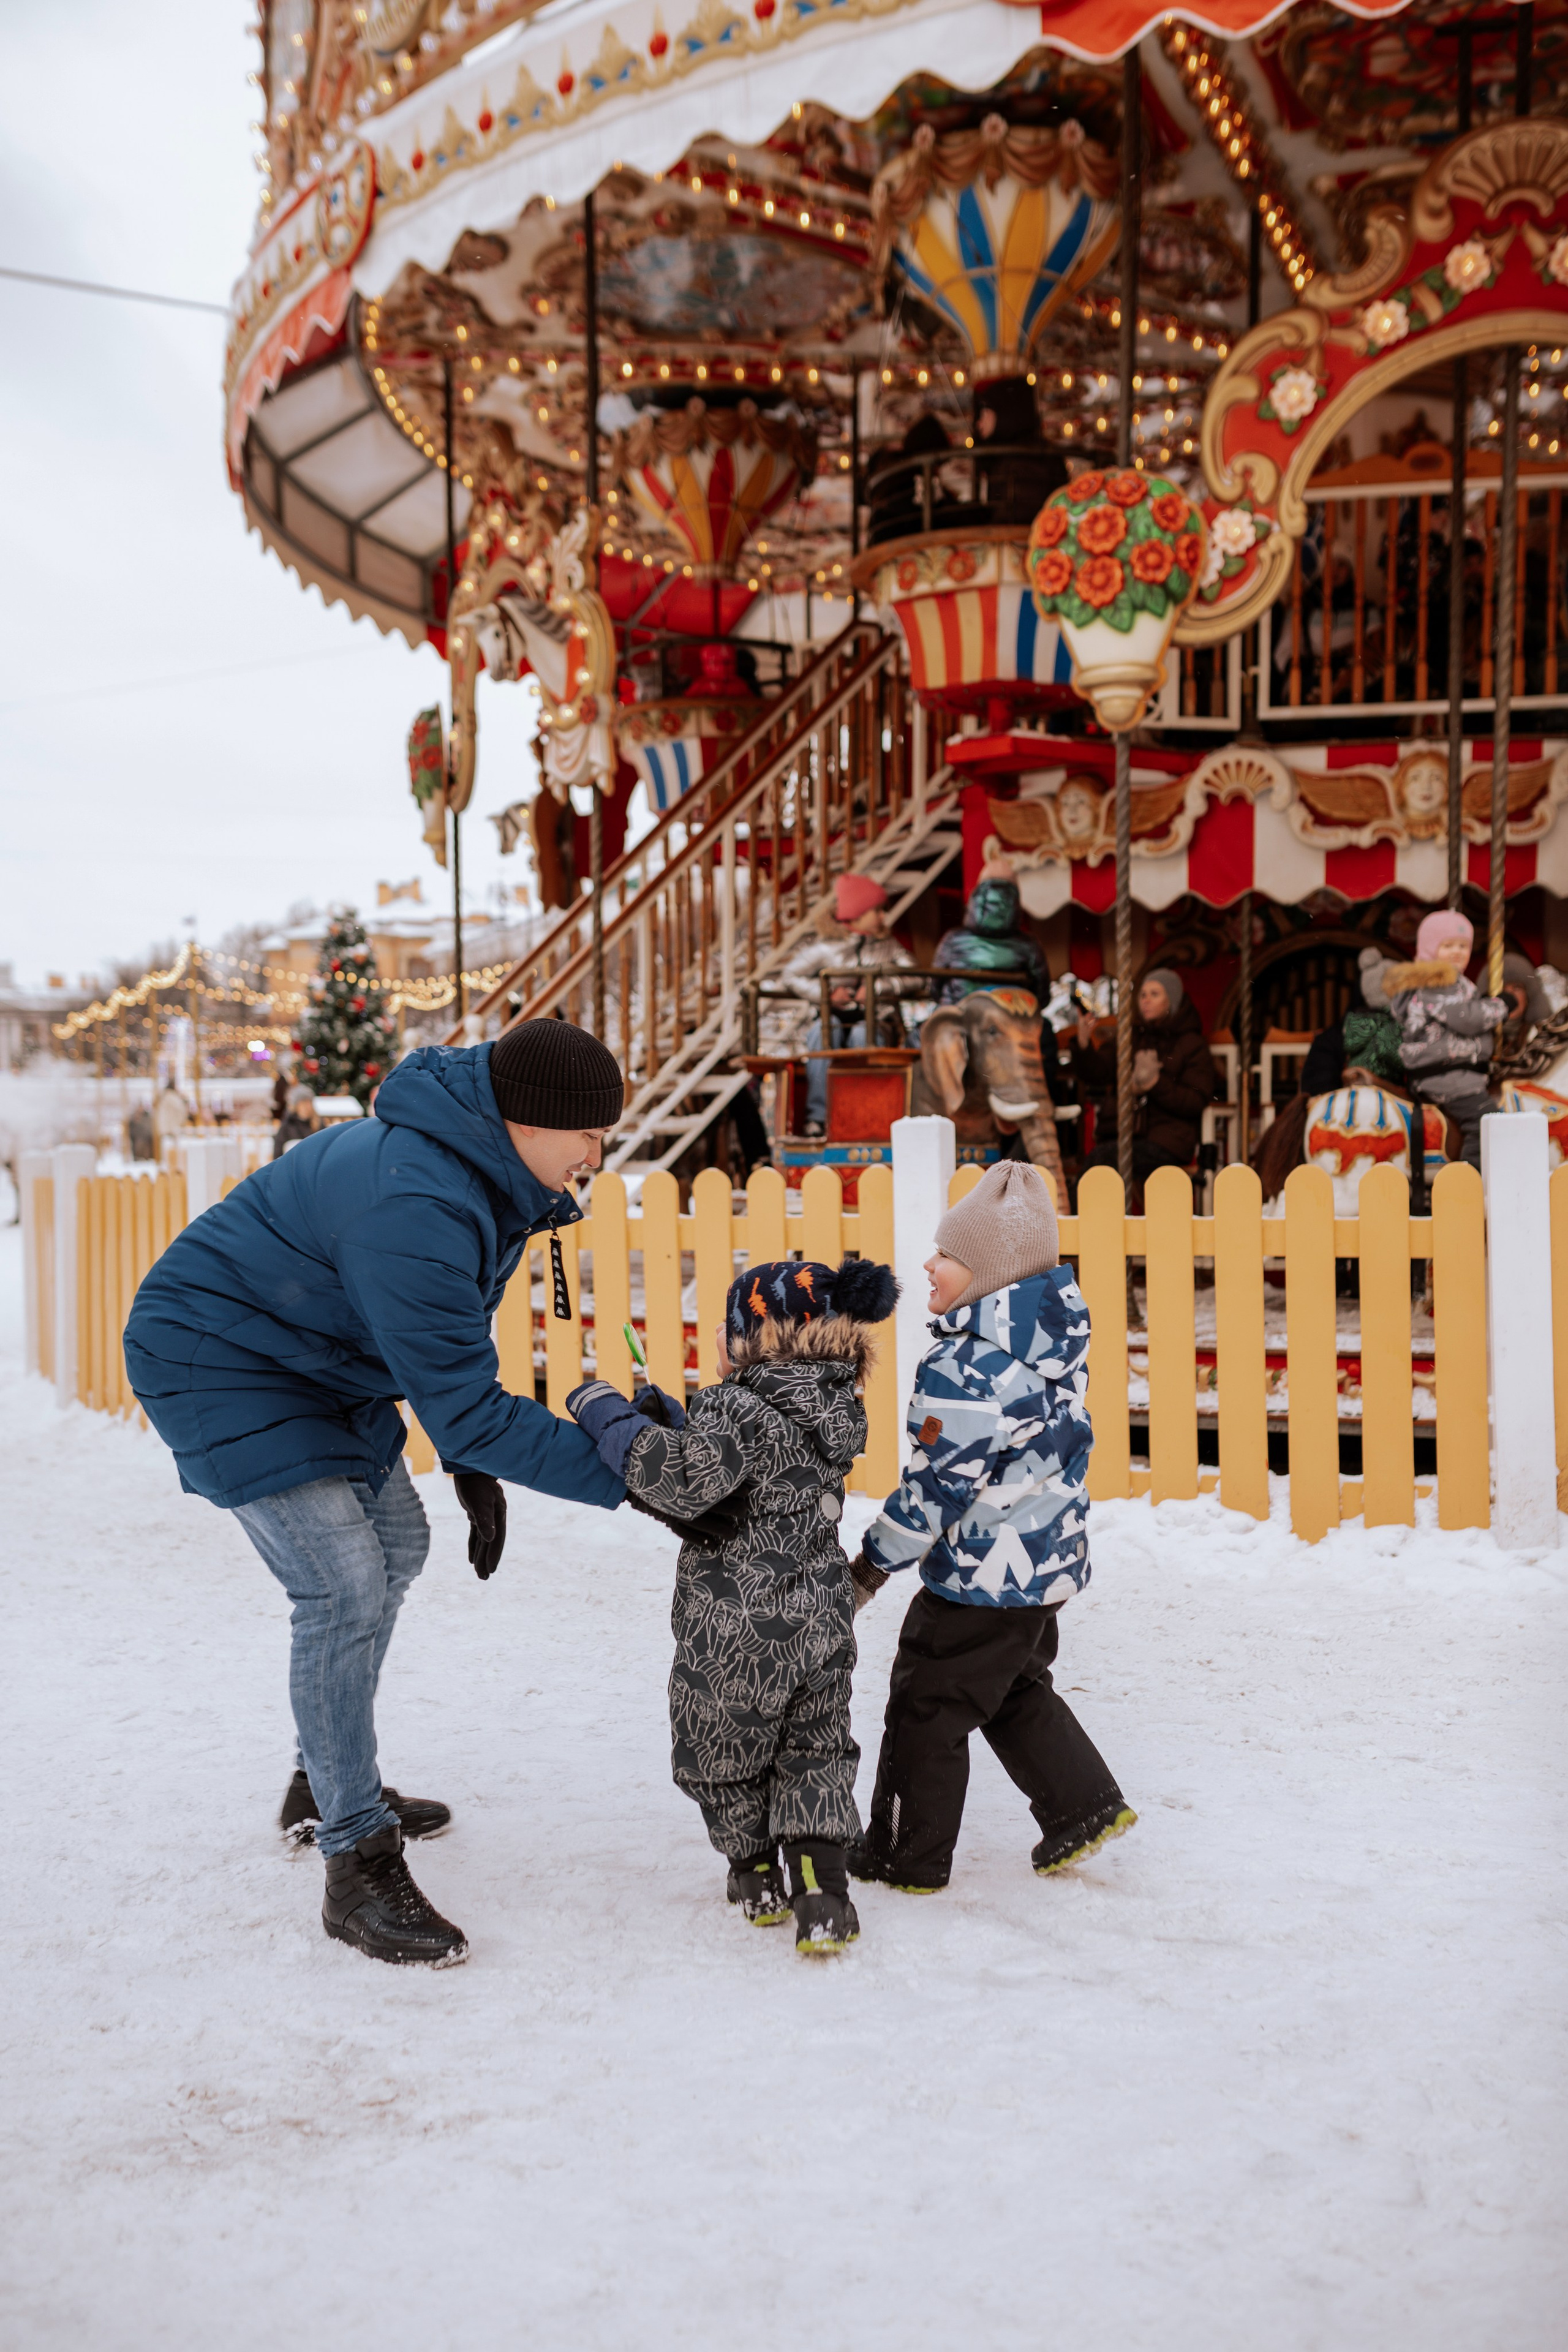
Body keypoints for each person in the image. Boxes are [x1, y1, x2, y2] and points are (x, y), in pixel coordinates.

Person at [124, 1023, 628, 1970]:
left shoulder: (483, 1172)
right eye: (589, 1135)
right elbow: (462, 1388)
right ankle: (354, 1857)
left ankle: (323, 1777)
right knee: (342, 1587)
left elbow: (445, 1343)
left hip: (317, 1361)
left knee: (400, 1545)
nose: (597, 1155)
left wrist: (472, 1457)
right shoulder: (418, 1197)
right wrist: (643, 1479)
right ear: (528, 1121)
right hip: (217, 1360)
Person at [567, 1254, 900, 1958]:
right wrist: (681, 1425)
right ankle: (821, 1891)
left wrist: (608, 1415)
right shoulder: (837, 1404)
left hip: (733, 1627)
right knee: (814, 1749)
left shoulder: (736, 1405)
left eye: (725, 1331)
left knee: (721, 1747)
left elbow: (686, 1484)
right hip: (818, 1620)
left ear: (754, 1338)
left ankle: (753, 1875)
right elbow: (760, 1467)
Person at [848, 1161, 1132, 1891]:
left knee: (927, 1704)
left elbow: (939, 1486)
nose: (927, 1264)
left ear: (988, 1273)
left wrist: (873, 1564)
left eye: (946, 1255)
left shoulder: (968, 1367)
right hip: (1041, 1572)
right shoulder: (1050, 1347)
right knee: (1009, 1688)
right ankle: (1082, 1806)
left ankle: (902, 1853)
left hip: (981, 1578)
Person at [778, 873, 918, 1134]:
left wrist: (876, 989)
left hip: (875, 1018)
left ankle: (866, 1110)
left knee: (862, 1034)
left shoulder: (888, 946)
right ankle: (818, 1117)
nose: (882, 917)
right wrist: (827, 996)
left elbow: (917, 977)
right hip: (834, 1017)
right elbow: (791, 975)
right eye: (876, 911)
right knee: (823, 1033)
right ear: (858, 914)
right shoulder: (826, 948)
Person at [1367, 911, 1506, 1170]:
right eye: (1448, 945)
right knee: (1488, 1123)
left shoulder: (1454, 983)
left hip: (1453, 1072)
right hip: (1447, 1076)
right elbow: (1467, 1018)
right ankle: (1471, 1182)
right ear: (1431, 950)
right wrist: (1502, 1005)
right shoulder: (1437, 981)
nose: (1457, 951)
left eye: (1463, 946)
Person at [1072, 965, 1216, 1187]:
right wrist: (1083, 1044)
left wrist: (1156, 1084)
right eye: (1143, 995)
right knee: (1100, 1162)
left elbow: (1195, 1100)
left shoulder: (1191, 1044)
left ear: (1172, 1000)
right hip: (1123, 1135)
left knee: (1101, 1162)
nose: (1146, 1000)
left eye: (1155, 994)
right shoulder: (1131, 1037)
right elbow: (1098, 1073)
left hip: (1166, 1140)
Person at [933, 856, 1049, 1005]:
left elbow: (935, 988)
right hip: (1011, 1022)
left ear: (977, 897)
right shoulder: (1030, 946)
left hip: (957, 1019)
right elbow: (1042, 998)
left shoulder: (952, 940)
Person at [271, 1081, 318, 1161]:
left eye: (309, 1102)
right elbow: (278, 1154)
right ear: (296, 1106)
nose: (307, 1106)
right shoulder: (287, 1126)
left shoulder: (318, 1124)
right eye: (303, 1103)